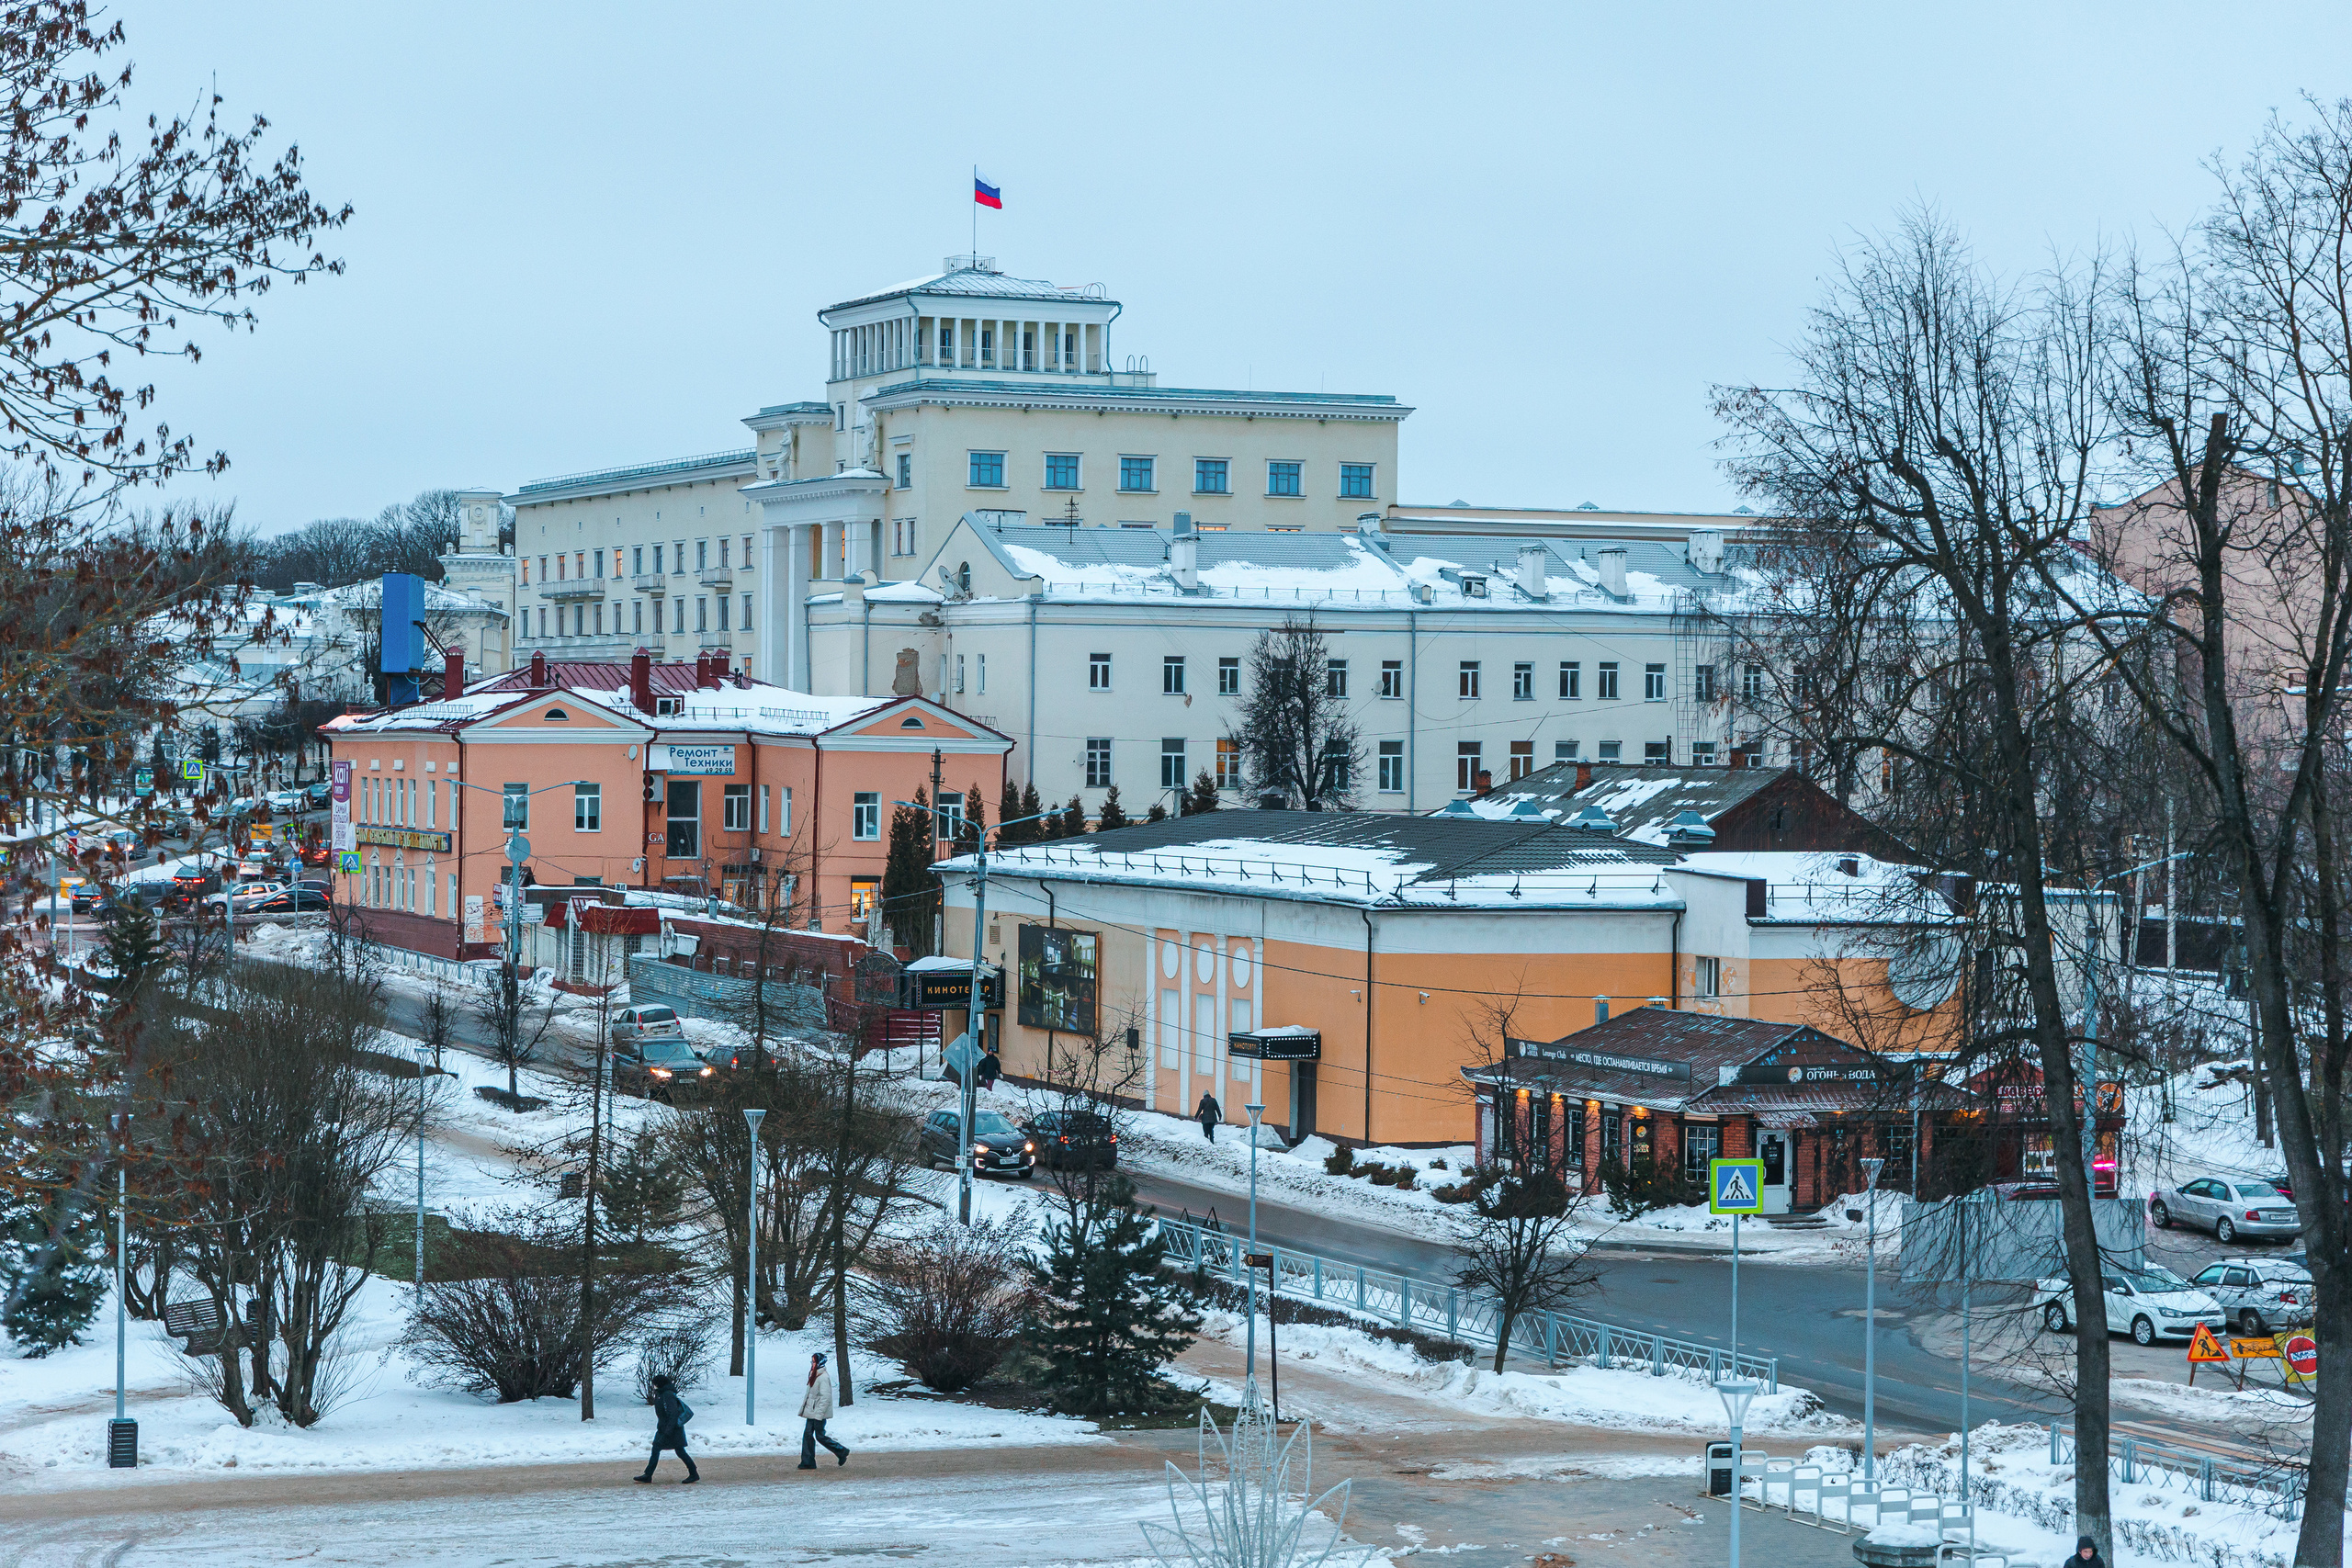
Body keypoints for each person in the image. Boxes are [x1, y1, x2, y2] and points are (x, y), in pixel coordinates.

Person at [635, 1373, 698, 1483]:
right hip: (665, 1428)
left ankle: (693, 1473)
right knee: (662, 1449)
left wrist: (668, 1431)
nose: (653, 1386)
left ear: (659, 1384)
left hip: (672, 1429)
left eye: (655, 1384)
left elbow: (672, 1414)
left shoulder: (667, 1395)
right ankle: (648, 1475)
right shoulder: (661, 1394)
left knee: (678, 1451)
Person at [797, 1351, 849, 1469]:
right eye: (812, 1361)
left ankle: (841, 1451)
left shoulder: (823, 1377)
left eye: (814, 1361)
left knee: (820, 1436)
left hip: (817, 1413)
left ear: (819, 1362)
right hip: (812, 1412)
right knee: (808, 1435)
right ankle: (808, 1461)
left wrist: (819, 1415)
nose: (812, 1363)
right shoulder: (815, 1375)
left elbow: (825, 1398)